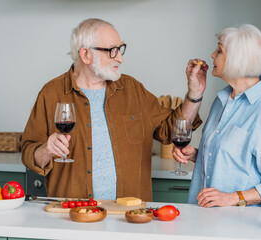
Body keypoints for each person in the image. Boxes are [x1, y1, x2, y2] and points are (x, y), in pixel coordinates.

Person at [21, 18, 207, 201]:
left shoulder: (133, 89)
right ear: (86, 54)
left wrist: (195, 92)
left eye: (120, 49)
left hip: (129, 216)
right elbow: (30, 154)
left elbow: (172, 129)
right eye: (112, 51)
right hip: (73, 215)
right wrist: (46, 149)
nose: (120, 58)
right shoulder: (51, 93)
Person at [172, 24, 261, 207]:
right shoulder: (222, 100)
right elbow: (236, 162)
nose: (212, 55)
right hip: (202, 219)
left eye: (219, 51)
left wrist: (233, 197)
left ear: (237, 59)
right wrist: (197, 154)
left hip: (238, 227)